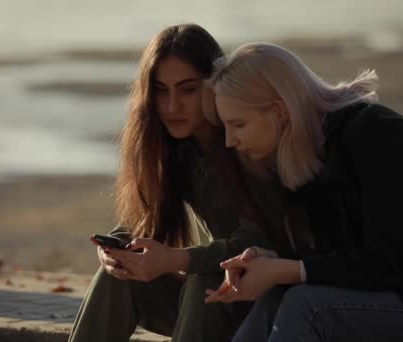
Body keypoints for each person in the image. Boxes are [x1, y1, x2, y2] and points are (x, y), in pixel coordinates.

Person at [204, 42, 403, 342]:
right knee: (280, 292)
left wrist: (286, 270)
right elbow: (336, 258)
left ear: (279, 112)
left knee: (308, 304)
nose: (230, 141)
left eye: (238, 124)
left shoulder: (377, 136)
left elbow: (390, 263)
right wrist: (271, 263)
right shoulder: (306, 154)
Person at [68, 26, 285, 342]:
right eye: (160, 90)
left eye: (187, 90)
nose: (172, 107)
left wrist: (182, 260)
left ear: (214, 85)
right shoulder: (177, 148)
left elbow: (262, 242)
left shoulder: (244, 138)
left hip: (268, 304)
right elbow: (150, 226)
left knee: (204, 280)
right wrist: (118, 251)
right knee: (118, 275)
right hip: (209, 304)